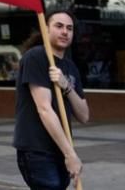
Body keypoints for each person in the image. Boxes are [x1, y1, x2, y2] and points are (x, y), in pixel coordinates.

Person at [13, 10, 90, 190]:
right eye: (59, 26)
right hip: (37, 149)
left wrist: (66, 86)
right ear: (45, 29)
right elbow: (44, 109)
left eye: (69, 28)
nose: (65, 32)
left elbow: (84, 115)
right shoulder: (36, 57)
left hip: (60, 148)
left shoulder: (69, 66)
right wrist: (70, 155)